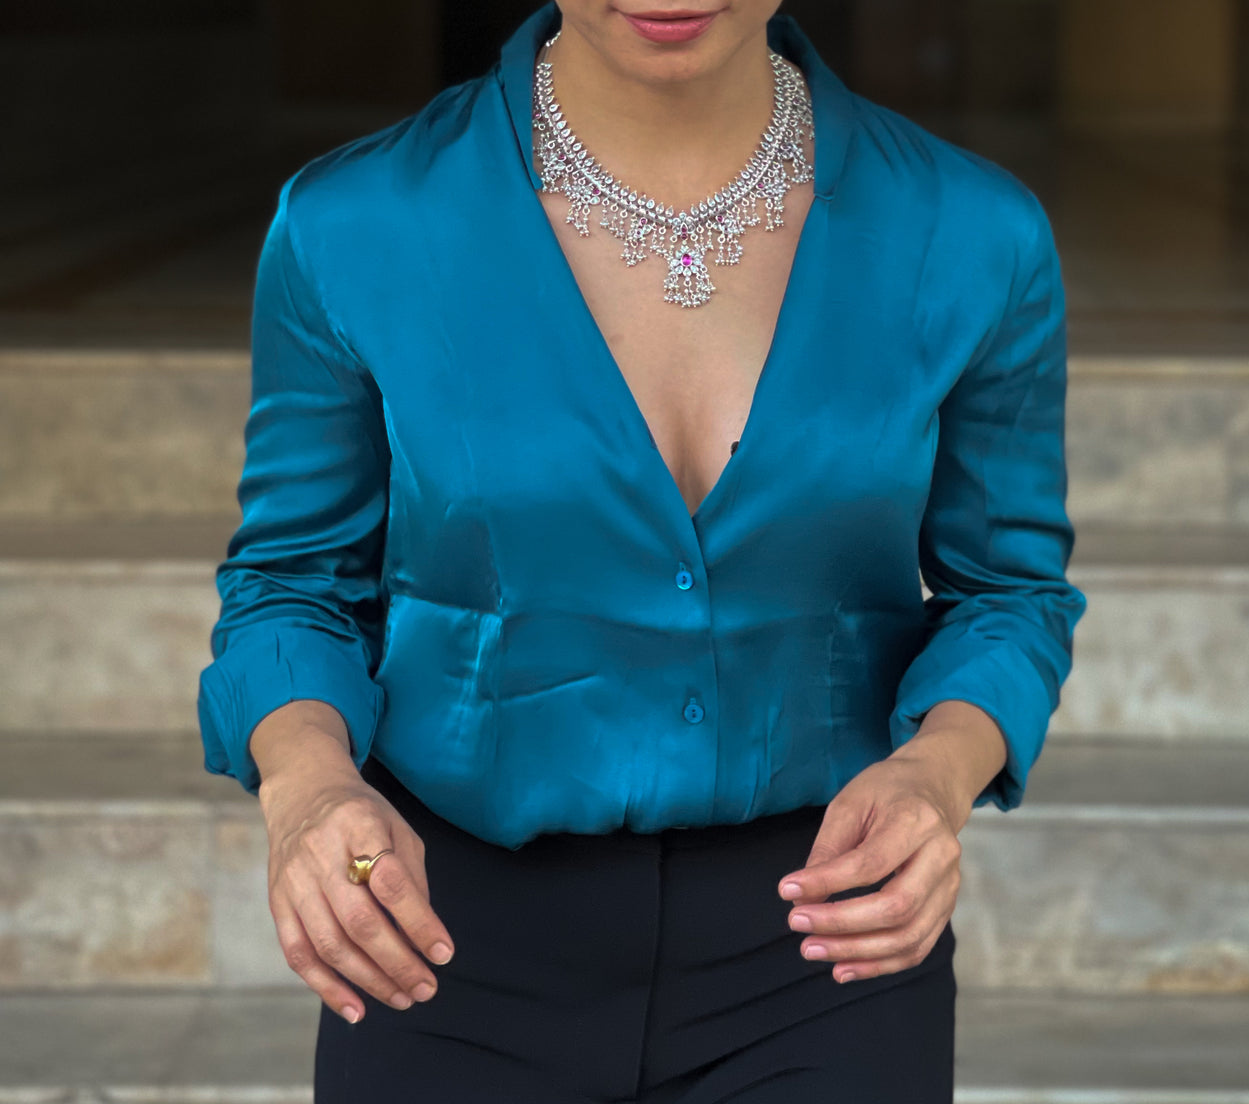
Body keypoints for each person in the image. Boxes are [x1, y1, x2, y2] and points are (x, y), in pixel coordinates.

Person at [196, 1, 1087, 1100]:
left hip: (827, 940)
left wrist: (937, 774)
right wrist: (308, 788)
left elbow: (1008, 591)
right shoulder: (355, 224)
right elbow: (290, 586)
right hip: (439, 940)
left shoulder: (969, 234)